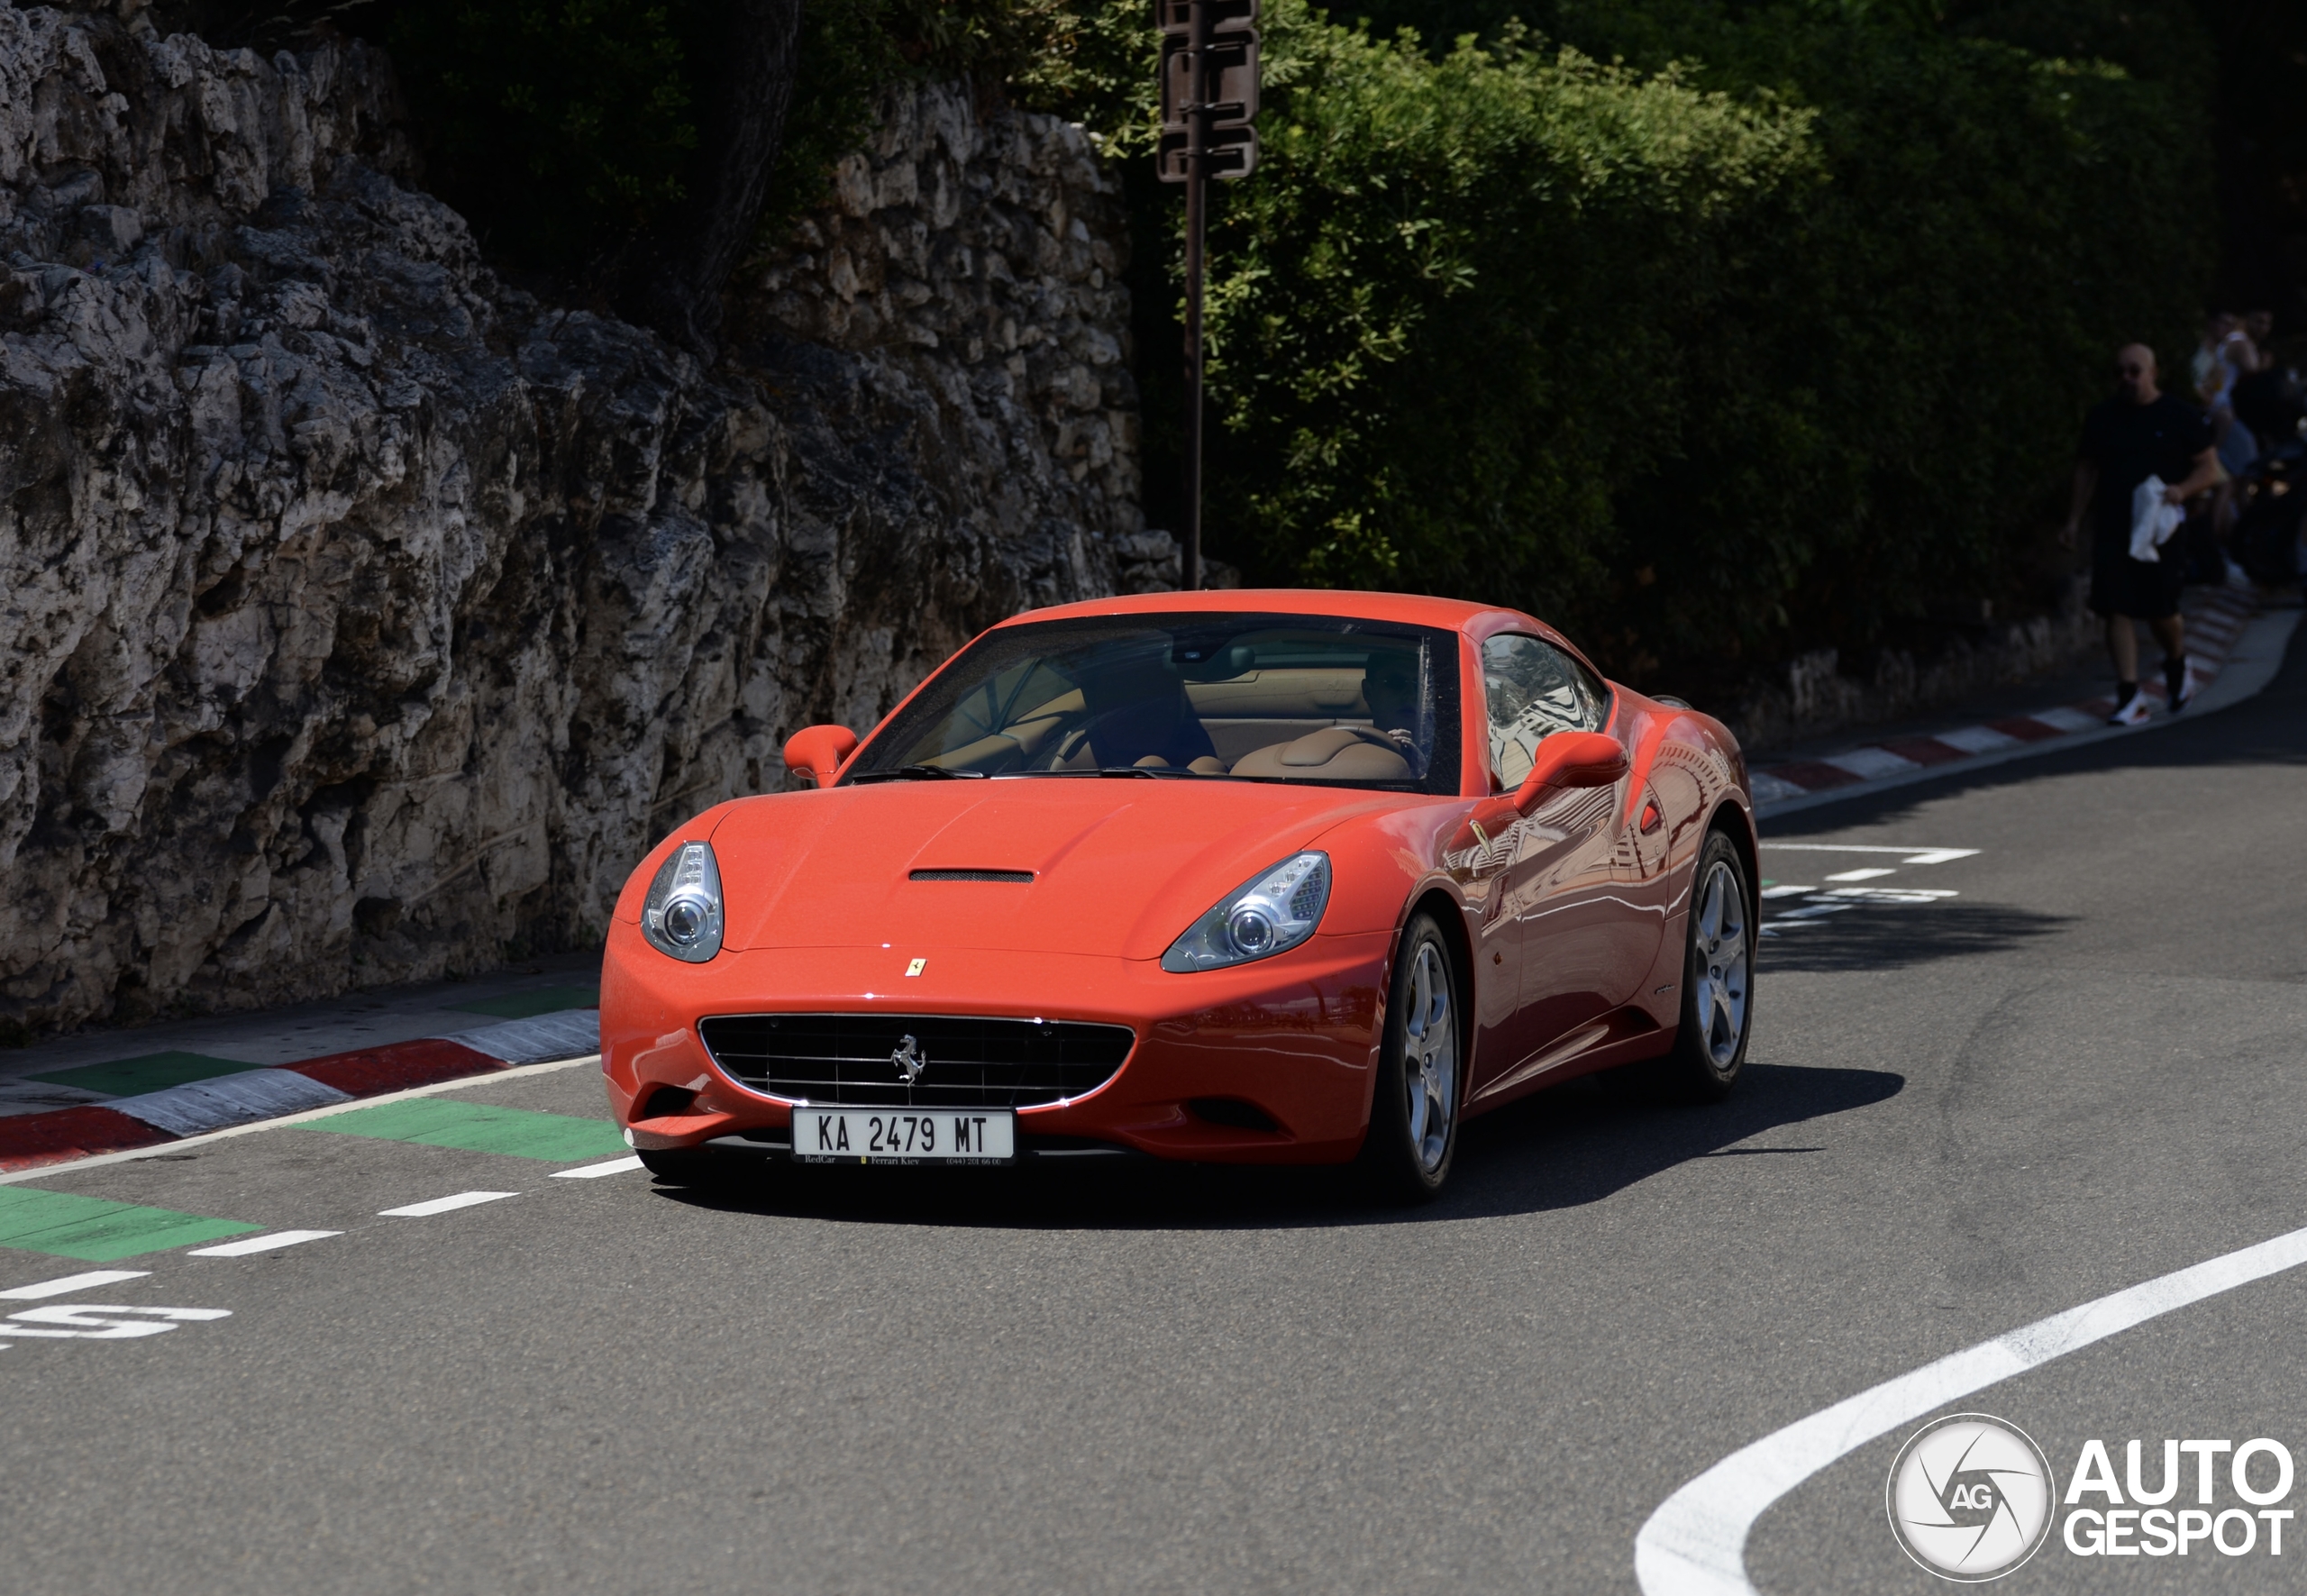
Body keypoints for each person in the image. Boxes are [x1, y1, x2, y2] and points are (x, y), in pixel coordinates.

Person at [2062, 344, 2222, 725]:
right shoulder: (2103, 418)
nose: (2127, 379)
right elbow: (2086, 468)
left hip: (2160, 528)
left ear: (2153, 372)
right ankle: (2129, 694)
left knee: (2160, 609)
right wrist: (2072, 520)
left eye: (2135, 371)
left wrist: (2181, 491)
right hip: (2115, 523)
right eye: (2120, 372)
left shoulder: (2180, 415)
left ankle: (2177, 662)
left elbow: (2209, 468)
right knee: (2115, 606)